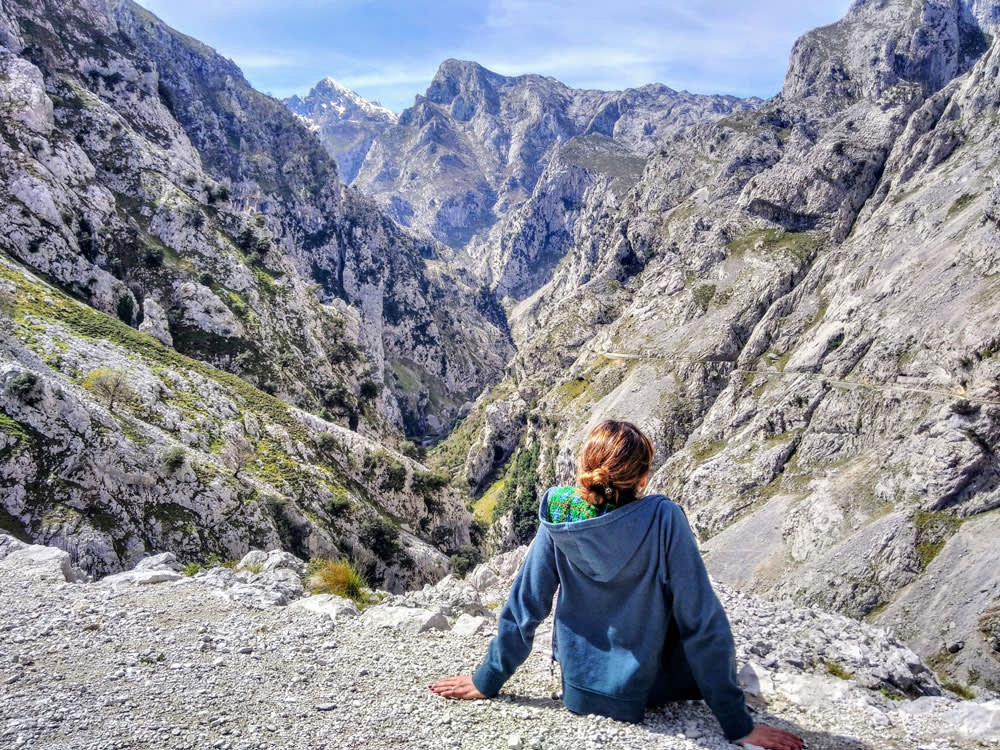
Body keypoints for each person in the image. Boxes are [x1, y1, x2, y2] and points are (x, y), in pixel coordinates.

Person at [430, 420, 804, 750]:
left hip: (578, 690)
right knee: (708, 635)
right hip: (649, 689)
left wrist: (488, 680)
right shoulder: (662, 518)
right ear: (642, 480)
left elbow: (526, 605)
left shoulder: (559, 513)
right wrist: (738, 725)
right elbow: (701, 621)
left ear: (586, 471)